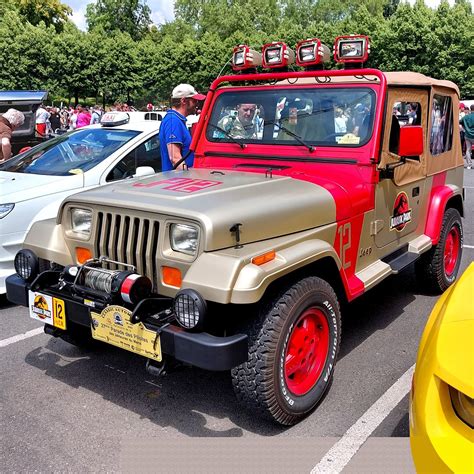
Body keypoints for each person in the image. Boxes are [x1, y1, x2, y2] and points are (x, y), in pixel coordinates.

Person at [159, 83, 205, 171]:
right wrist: (188, 176)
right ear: (183, 101)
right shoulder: (173, 121)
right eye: (194, 100)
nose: (197, 104)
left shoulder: (176, 120)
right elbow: (175, 158)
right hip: (178, 181)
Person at [460, 104, 474, 169]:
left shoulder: (466, 117)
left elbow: (460, 121)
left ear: (470, 109)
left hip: (467, 135)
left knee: (468, 150)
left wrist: (464, 127)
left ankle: (469, 165)